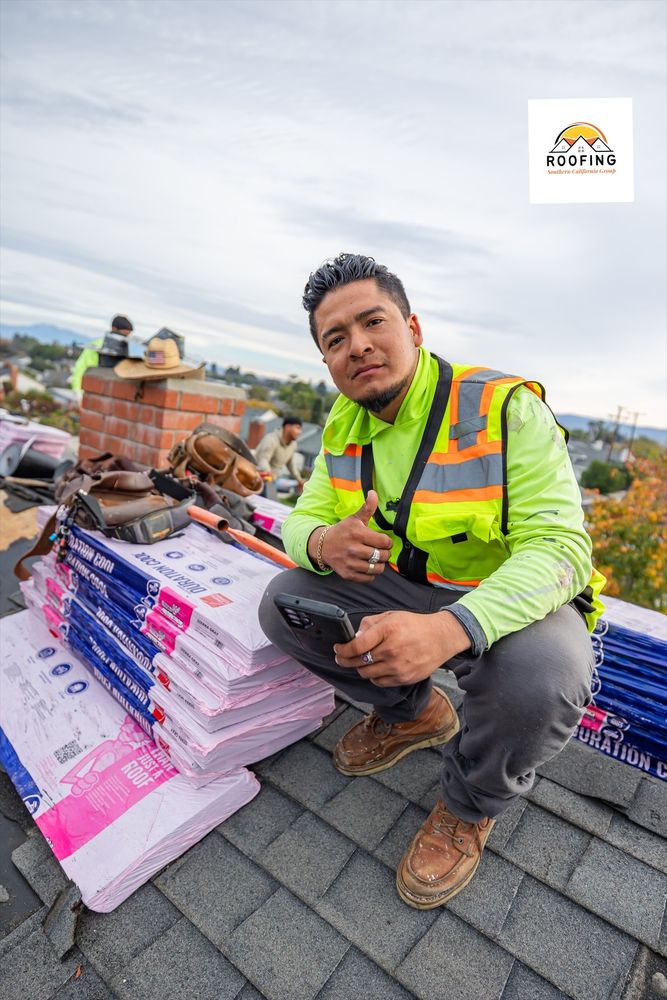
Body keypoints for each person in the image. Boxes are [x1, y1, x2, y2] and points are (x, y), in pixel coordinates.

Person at [258, 253, 605, 910]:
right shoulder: (343, 423)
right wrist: (325, 541)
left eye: (371, 322)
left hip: (510, 603)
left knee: (545, 675)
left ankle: (468, 805)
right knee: (286, 604)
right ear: (326, 361)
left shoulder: (500, 409)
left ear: (412, 328)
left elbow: (560, 547)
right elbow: (301, 517)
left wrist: (452, 628)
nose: (356, 345)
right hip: (408, 588)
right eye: (335, 339)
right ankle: (413, 715)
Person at [70, 314, 133, 393]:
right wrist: (78, 391)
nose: (125, 338)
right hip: (90, 389)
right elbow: (80, 369)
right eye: (123, 334)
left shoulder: (123, 349)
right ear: (114, 329)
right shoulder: (97, 346)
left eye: (127, 336)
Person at [254, 416, 305, 497]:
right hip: (257, 478)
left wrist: (300, 480)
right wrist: (269, 474)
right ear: (287, 427)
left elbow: (290, 464)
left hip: (272, 480)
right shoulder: (271, 439)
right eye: (297, 428)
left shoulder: (293, 445)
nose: (300, 432)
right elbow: (263, 459)